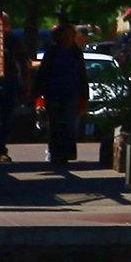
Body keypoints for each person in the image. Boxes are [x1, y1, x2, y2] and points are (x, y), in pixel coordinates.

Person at [35, 24, 89, 171]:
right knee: (55, 124)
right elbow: (43, 74)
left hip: (71, 93)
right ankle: (56, 153)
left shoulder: (75, 52)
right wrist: (38, 95)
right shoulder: (52, 52)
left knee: (68, 123)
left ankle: (66, 153)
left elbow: (82, 75)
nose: (69, 38)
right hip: (54, 93)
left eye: (70, 35)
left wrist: (84, 96)